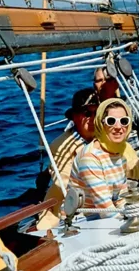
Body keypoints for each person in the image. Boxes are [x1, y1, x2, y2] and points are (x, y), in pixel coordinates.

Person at [67, 98, 139, 218]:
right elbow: (106, 211)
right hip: (87, 219)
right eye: (111, 121)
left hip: (110, 213)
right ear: (100, 123)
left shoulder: (118, 150)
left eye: (124, 121)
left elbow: (120, 199)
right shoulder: (90, 157)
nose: (118, 127)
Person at [35, 89, 97, 230]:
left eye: (96, 113)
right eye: (87, 113)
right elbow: (64, 185)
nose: (92, 118)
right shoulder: (60, 146)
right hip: (65, 214)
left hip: (101, 205)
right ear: (75, 117)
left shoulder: (104, 138)